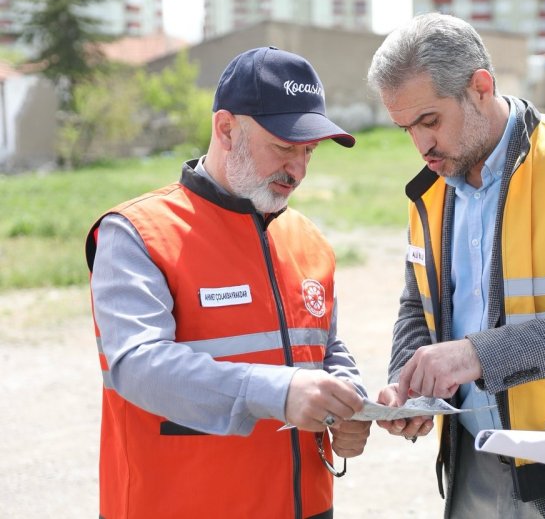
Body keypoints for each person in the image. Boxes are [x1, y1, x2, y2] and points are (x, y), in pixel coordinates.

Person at [367, 12, 545, 518]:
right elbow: (418, 305)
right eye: (405, 128)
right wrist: (406, 384)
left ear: (479, 86)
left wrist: (476, 356)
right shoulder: (428, 191)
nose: (420, 145)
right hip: (471, 463)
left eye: (429, 121)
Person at [86, 46, 372, 519]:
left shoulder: (309, 240)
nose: (298, 170)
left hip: (307, 507)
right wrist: (279, 392)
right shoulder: (137, 234)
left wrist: (345, 398)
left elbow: (325, 347)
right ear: (226, 128)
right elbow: (135, 364)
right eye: (284, 147)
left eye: (308, 151)